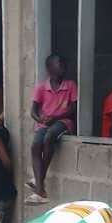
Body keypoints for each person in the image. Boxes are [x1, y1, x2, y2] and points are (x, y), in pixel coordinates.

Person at [29, 54, 78, 204]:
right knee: (36, 144)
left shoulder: (70, 85)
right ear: (50, 68)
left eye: (63, 64)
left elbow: (73, 110)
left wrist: (55, 117)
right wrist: (40, 119)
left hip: (63, 122)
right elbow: (33, 111)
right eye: (59, 64)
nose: (62, 67)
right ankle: (40, 188)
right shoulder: (42, 88)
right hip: (45, 123)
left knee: (49, 137)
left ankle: (38, 185)